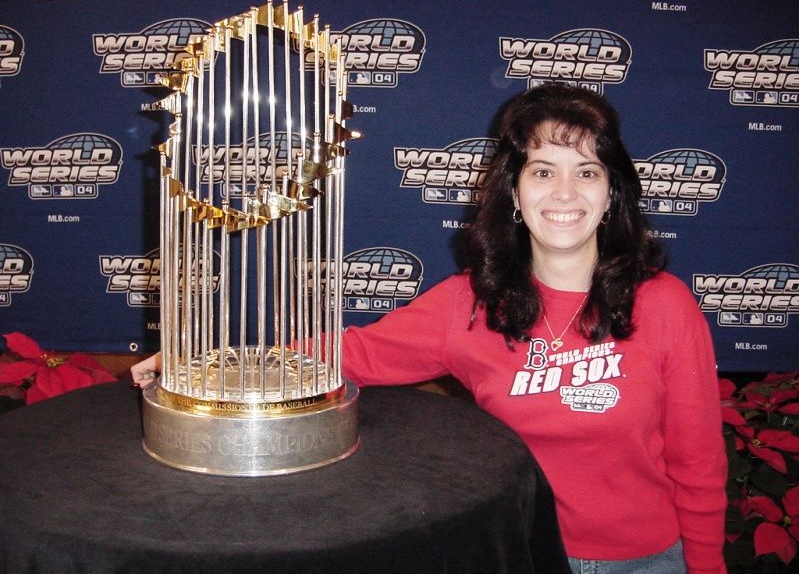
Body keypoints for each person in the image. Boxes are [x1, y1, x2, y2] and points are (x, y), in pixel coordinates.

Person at [133, 83, 727, 573]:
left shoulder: (664, 306)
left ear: (611, 192)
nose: (564, 193)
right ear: (515, 194)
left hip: (643, 561)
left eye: (587, 172)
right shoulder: (470, 304)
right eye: (542, 171)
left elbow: (698, 462)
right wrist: (204, 360)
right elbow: (346, 353)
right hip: (516, 552)